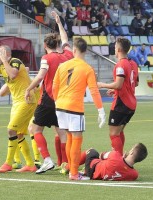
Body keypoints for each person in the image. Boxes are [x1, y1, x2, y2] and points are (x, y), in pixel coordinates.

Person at [25, 11, 73, 174]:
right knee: (61, 132)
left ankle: (47, 160)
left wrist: (29, 88)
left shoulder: (47, 59)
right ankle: (66, 164)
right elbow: (66, 39)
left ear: (45, 46)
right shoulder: (68, 55)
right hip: (64, 100)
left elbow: (40, 76)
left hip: (48, 99)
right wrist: (59, 23)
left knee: (34, 129)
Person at [52, 37, 106, 180]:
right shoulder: (87, 68)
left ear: (74, 50)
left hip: (60, 106)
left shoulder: (62, 66)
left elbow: (54, 87)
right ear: (85, 51)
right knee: (76, 138)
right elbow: (94, 91)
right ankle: (74, 173)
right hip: (74, 107)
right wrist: (101, 110)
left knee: (69, 137)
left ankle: (71, 168)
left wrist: (58, 101)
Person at [0, 45, 39, 173]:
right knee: (18, 133)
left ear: (6, 54)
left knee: (11, 130)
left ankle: (8, 163)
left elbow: (13, 75)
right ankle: (30, 164)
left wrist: (3, 60)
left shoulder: (15, 61)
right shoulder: (0, 65)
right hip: (17, 103)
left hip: (26, 100)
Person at [97, 37, 139, 156]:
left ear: (119, 49)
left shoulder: (120, 65)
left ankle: (117, 160)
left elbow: (119, 84)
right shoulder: (133, 64)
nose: (114, 49)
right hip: (131, 104)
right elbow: (135, 83)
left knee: (113, 134)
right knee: (119, 132)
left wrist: (102, 85)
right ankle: (119, 156)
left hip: (122, 104)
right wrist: (115, 90)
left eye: (115, 47)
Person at [80, 143, 148, 181]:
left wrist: (116, 154)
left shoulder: (115, 155)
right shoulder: (134, 174)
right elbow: (124, 167)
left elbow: (101, 156)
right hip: (98, 176)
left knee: (92, 151)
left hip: (92, 168)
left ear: (132, 152)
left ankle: (70, 166)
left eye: (132, 149)